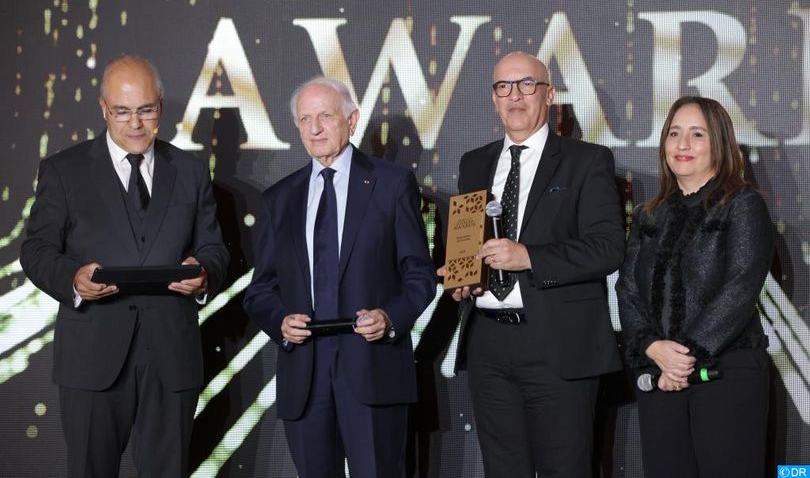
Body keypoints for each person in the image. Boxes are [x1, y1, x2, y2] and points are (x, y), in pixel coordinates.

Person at [20, 55, 229, 477]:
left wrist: (204, 272)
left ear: (160, 108)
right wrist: (73, 280)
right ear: (103, 109)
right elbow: (36, 250)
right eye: (122, 112)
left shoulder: (190, 172)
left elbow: (215, 248)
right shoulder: (64, 170)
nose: (135, 123)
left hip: (171, 358)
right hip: (91, 358)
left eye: (146, 110)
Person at [441, 52, 625, 477]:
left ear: (549, 94)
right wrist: (463, 278)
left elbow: (608, 248)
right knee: (502, 469)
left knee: (565, 468)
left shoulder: (586, 160)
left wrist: (528, 257)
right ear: (493, 99)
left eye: (527, 84)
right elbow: (468, 244)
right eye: (503, 87)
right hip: (488, 342)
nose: (515, 96)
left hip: (558, 342)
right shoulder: (474, 163)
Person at [243, 77, 436, 477]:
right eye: (305, 119)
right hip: (305, 374)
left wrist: (390, 318)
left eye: (326, 116)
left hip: (372, 367)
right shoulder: (280, 198)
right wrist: (280, 322)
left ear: (351, 119)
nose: (315, 129)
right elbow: (260, 289)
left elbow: (419, 274)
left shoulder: (391, 184)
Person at [616, 96, 773, 477]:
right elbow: (628, 290)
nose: (682, 144)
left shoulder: (742, 203)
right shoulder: (649, 214)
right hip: (660, 375)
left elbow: (741, 286)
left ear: (719, 143)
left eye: (697, 134)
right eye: (674, 133)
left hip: (726, 374)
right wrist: (652, 348)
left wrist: (683, 359)